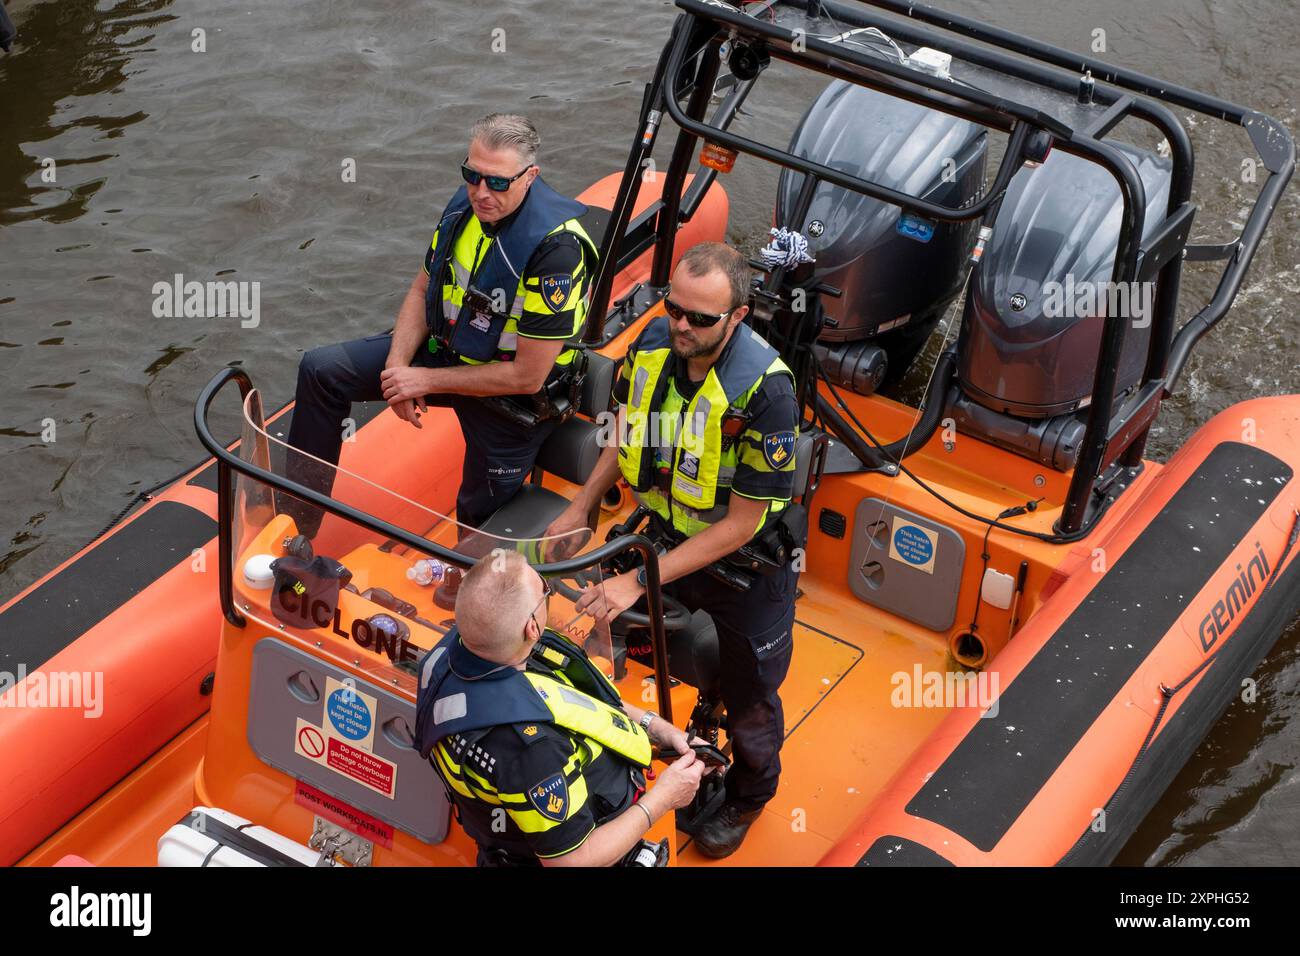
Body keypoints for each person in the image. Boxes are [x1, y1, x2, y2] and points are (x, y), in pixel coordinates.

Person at [544, 241, 801, 858]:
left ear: (738, 316)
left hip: (745, 566)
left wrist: (643, 580)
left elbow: (742, 524)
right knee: (584, 628)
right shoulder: (653, 347)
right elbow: (627, 431)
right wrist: (581, 506)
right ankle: (621, 746)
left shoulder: (767, 394)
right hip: (656, 532)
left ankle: (747, 793)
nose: (681, 326)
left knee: (752, 699)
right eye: (673, 309)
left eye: (700, 318)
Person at [282, 113, 598, 550]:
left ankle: (465, 585)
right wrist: (397, 370)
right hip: (451, 349)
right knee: (321, 370)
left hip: (511, 397)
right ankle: (296, 526)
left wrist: (424, 380)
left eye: (497, 182)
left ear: (530, 176)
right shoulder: (465, 207)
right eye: (472, 175)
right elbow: (422, 287)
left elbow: (528, 376)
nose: (481, 192)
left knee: (476, 514)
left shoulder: (557, 252)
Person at [414, 549, 706, 866]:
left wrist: (657, 727)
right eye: (544, 589)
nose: (546, 590)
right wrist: (663, 799)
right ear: (532, 629)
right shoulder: (531, 750)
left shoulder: (468, 652)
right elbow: (571, 861)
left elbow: (571, 698)